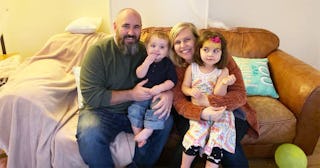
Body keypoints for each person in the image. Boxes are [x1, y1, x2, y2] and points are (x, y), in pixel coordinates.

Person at [76, 8, 174, 168]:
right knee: (89, 135)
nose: (131, 32)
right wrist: (131, 94)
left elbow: (166, 74)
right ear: (114, 27)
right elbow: (92, 96)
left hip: (136, 110)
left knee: (165, 121)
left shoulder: (146, 51)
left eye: (136, 27)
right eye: (125, 26)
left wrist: (168, 93)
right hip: (101, 111)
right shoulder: (98, 51)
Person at [169, 22, 259, 168]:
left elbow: (240, 93)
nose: (182, 45)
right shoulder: (178, 67)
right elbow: (179, 101)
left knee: (225, 148)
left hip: (229, 112)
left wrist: (209, 102)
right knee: (187, 149)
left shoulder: (221, 58)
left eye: (187, 40)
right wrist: (203, 113)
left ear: (197, 40)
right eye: (177, 42)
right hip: (194, 116)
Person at [180, 30, 236, 168]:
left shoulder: (223, 71)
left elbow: (218, 95)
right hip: (199, 110)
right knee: (195, 136)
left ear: (222, 53)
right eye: (206, 50)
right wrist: (190, 91)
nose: (210, 54)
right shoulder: (192, 68)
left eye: (216, 51)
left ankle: (213, 159)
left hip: (218, 109)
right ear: (199, 50)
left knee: (218, 139)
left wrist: (224, 83)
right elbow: (184, 87)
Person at [127, 31, 177, 148]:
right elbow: (139, 74)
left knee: (158, 110)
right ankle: (138, 133)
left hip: (157, 96)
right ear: (147, 47)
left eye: (162, 47)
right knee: (134, 109)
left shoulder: (167, 64)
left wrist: (160, 87)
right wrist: (146, 63)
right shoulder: (144, 60)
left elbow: (172, 81)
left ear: (167, 50)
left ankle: (148, 130)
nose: (156, 50)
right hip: (142, 95)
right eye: (153, 46)